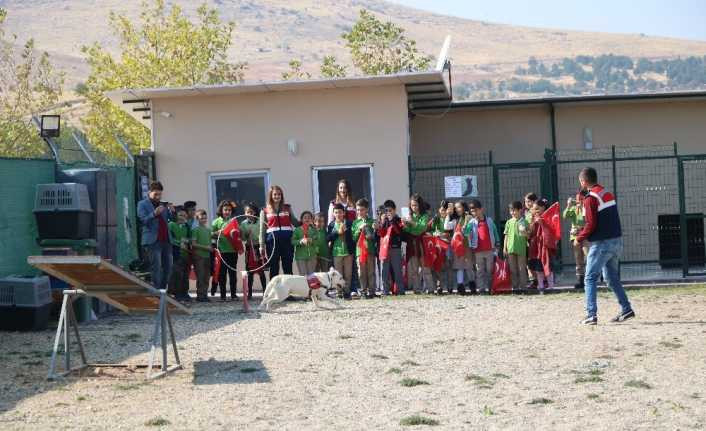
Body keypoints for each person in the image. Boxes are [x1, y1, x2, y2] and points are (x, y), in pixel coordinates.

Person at [576, 167, 634, 325]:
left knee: (589, 277)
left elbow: (591, 224)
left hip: (602, 244)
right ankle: (626, 308)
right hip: (616, 241)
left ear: (583, 181)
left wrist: (579, 238)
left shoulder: (590, 198)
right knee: (611, 278)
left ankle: (591, 315)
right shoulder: (606, 193)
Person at [137, 181, 173, 291]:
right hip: (153, 241)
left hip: (166, 240)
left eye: (160, 194)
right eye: (155, 194)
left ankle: (162, 291)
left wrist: (172, 212)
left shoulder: (163, 204)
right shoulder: (142, 204)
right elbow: (142, 220)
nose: (158, 196)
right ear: (149, 192)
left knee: (168, 267)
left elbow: (171, 220)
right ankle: (156, 292)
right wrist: (154, 214)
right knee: (156, 267)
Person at [259, 185, 298, 277]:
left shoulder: (287, 208)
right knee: (274, 268)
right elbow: (262, 230)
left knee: (288, 267)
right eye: (275, 194)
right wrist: (261, 246)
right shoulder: (264, 211)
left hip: (287, 241)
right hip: (272, 242)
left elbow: (295, 222)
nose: (277, 196)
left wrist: (306, 223)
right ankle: (274, 290)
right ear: (271, 196)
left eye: (279, 194)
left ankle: (289, 290)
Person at [465, 199, 500, 294]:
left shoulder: (489, 220)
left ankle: (491, 288)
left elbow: (495, 231)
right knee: (480, 271)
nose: (474, 213)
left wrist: (497, 243)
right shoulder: (471, 222)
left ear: (481, 209)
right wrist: (466, 226)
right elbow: (466, 233)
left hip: (489, 250)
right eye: (472, 211)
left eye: (476, 210)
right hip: (478, 251)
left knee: (490, 270)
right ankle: (481, 289)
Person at [403, 193, 433, 294]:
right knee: (414, 268)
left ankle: (430, 288)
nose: (414, 207)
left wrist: (413, 224)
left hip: (422, 243)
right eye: (412, 205)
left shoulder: (424, 215)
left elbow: (422, 228)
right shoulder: (410, 215)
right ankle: (416, 289)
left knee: (425, 267)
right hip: (412, 243)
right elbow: (408, 230)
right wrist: (405, 224)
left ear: (420, 205)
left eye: (416, 205)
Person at [527, 198, 558, 294]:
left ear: (544, 208)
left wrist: (542, 223)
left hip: (544, 247)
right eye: (534, 209)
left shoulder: (547, 218)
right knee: (538, 268)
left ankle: (551, 286)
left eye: (538, 209)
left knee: (548, 266)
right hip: (536, 247)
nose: (536, 211)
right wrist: (532, 224)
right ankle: (540, 286)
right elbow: (530, 233)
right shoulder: (532, 220)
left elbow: (551, 231)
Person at [445, 200, 473, 295]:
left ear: (464, 207)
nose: (457, 209)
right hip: (457, 247)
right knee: (459, 267)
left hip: (467, 245)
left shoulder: (469, 218)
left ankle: (472, 285)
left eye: (459, 207)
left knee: (469, 266)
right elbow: (446, 226)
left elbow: (470, 231)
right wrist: (448, 215)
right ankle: (460, 286)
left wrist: (466, 227)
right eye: (456, 208)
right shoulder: (455, 220)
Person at [212, 200, 238, 301]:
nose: (227, 211)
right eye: (225, 209)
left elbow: (238, 234)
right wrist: (216, 232)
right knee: (222, 274)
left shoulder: (234, 221)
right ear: (221, 210)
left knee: (232, 274)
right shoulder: (216, 221)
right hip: (221, 251)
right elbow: (210, 234)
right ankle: (223, 295)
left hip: (232, 251)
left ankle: (233, 294)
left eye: (229, 210)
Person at [378, 200, 406, 295]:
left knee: (397, 270)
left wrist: (392, 221)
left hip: (395, 248)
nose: (388, 213)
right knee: (384, 270)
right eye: (386, 211)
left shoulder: (398, 219)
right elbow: (381, 234)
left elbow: (399, 232)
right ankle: (385, 290)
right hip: (385, 249)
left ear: (394, 210)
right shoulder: (384, 221)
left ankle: (400, 290)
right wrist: (382, 223)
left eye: (390, 210)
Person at [327, 203, 355, 298]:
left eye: (340, 212)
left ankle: (347, 292)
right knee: (338, 274)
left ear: (344, 213)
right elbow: (328, 238)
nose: (338, 214)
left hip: (348, 252)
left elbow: (352, 238)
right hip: (336, 252)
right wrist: (337, 232)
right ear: (333, 214)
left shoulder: (349, 223)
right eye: (336, 213)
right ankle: (339, 292)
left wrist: (346, 231)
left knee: (348, 273)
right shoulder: (331, 225)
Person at [352, 198, 377, 299]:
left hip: (370, 250)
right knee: (361, 272)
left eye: (362, 209)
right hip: (360, 251)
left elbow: (375, 237)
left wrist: (374, 228)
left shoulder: (372, 221)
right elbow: (354, 238)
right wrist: (359, 230)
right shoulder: (355, 223)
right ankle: (363, 291)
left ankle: (372, 291)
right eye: (358, 210)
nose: (359, 212)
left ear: (367, 210)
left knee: (371, 271)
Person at [240, 202, 266, 299]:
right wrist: (244, 233)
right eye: (247, 212)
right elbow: (243, 238)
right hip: (249, 249)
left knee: (261, 270)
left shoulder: (260, 222)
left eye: (251, 212)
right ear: (245, 213)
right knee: (249, 271)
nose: (249, 214)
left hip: (258, 247)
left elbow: (263, 234)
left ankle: (265, 291)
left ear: (255, 212)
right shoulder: (243, 224)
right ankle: (249, 293)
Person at [564, 192, 589, 290]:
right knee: (578, 259)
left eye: (581, 199)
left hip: (586, 236)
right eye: (577, 199)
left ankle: (590, 278)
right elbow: (565, 215)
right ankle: (580, 280)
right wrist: (568, 205)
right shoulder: (574, 209)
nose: (578, 201)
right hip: (576, 236)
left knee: (588, 256)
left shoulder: (587, 209)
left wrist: (583, 207)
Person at [167, 207, 192, 302]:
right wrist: (181, 243)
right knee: (176, 273)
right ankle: (176, 293)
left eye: (185, 215)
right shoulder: (171, 225)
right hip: (175, 253)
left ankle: (184, 292)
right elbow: (170, 239)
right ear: (175, 215)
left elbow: (189, 239)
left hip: (186, 254)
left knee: (185, 274)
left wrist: (185, 242)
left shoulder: (187, 226)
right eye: (180, 215)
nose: (183, 217)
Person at [503, 201, 529, 292]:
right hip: (510, 248)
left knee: (522, 268)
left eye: (514, 210)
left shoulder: (524, 221)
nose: (513, 213)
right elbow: (506, 235)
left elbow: (528, 236)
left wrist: (525, 232)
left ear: (520, 210)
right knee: (513, 269)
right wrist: (504, 248)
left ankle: (523, 287)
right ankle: (515, 287)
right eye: (511, 211)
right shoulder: (509, 222)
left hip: (521, 248)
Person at [429, 200, 453, 295]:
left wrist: (443, 234)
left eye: (445, 210)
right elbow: (430, 230)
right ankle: (440, 286)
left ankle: (450, 287)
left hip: (448, 245)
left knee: (448, 266)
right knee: (439, 266)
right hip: (438, 246)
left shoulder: (451, 218)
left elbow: (452, 232)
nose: (443, 212)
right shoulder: (436, 219)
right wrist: (434, 233)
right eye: (442, 210)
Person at [190, 209, 213, 302]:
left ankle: (204, 295)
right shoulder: (195, 230)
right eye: (201, 218)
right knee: (200, 276)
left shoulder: (208, 230)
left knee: (206, 277)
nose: (204, 220)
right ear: (197, 219)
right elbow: (194, 244)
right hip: (198, 256)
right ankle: (200, 296)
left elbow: (209, 242)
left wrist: (211, 248)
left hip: (207, 256)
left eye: (205, 218)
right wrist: (206, 248)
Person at [292, 210, 319, 275]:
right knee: (303, 276)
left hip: (312, 257)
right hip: (301, 257)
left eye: (309, 217)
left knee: (311, 276)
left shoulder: (314, 230)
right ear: (301, 220)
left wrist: (312, 240)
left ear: (311, 220)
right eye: (305, 217)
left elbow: (317, 241)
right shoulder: (297, 230)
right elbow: (292, 241)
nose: (307, 219)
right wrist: (300, 241)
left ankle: (311, 285)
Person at [523, 193, 539, 288]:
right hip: (527, 238)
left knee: (536, 259)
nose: (527, 203)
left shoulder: (537, 212)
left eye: (529, 201)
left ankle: (540, 279)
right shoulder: (526, 213)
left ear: (534, 201)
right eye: (526, 201)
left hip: (535, 238)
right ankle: (532, 279)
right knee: (528, 260)